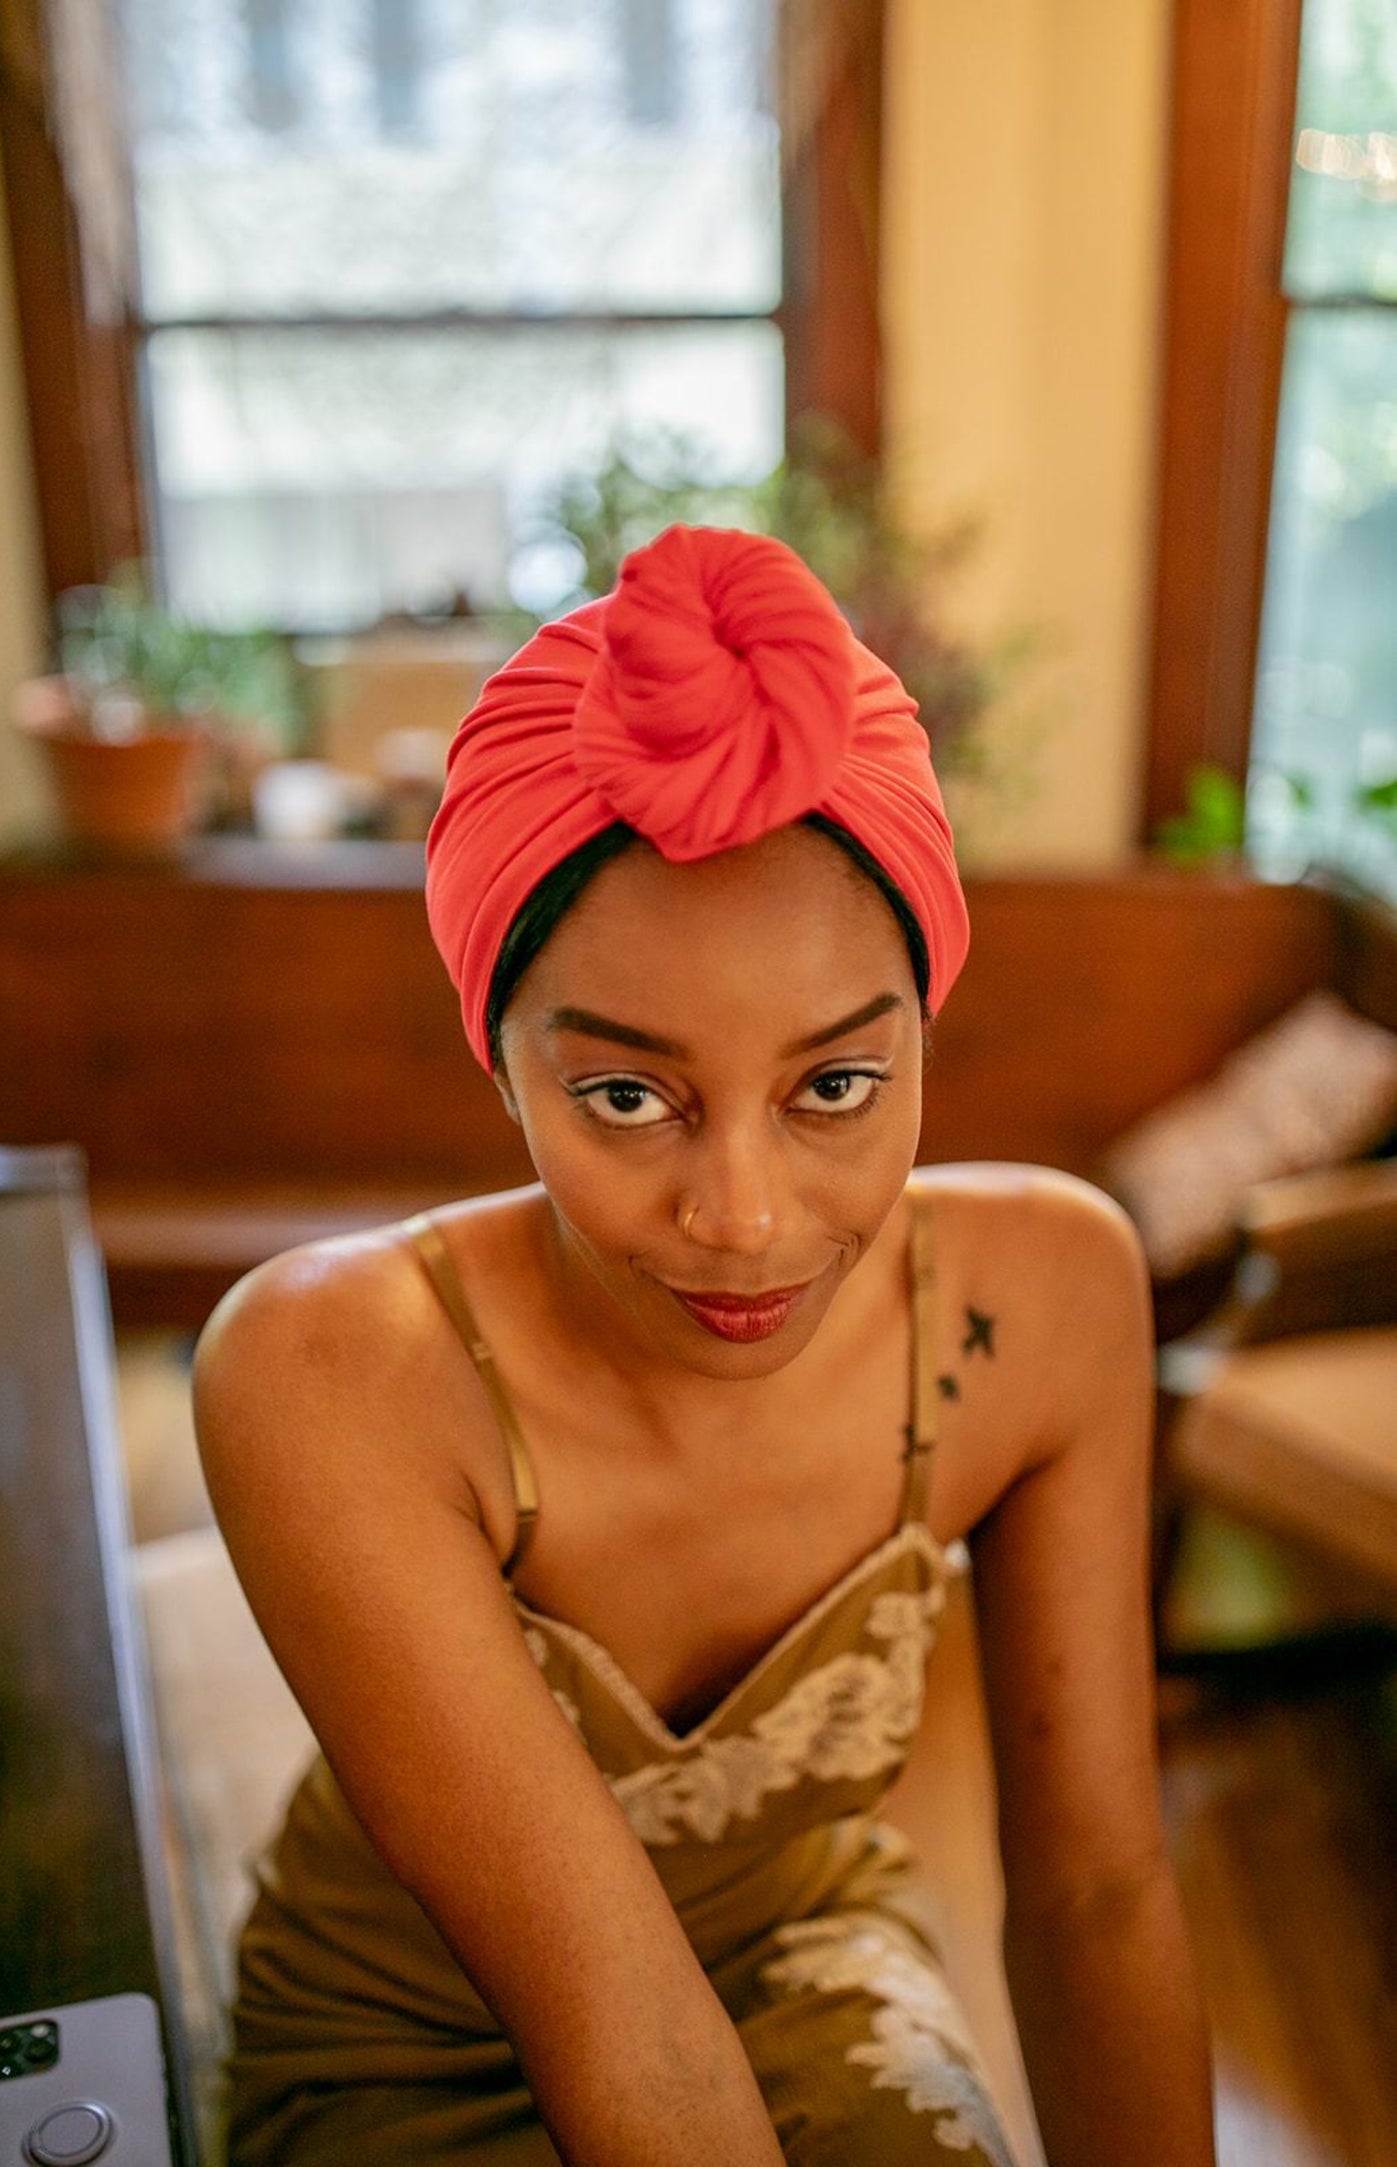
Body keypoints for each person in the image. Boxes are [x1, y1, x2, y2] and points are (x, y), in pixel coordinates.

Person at [194, 525, 1217, 2167]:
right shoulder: (334, 1371)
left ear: (924, 1032)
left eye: (834, 1086)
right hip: (404, 2049)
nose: (741, 1218)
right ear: (499, 1067)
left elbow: (1097, 1893)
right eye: (622, 1096)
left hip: (804, 1962)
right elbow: (625, 2041)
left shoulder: (1046, 1299)